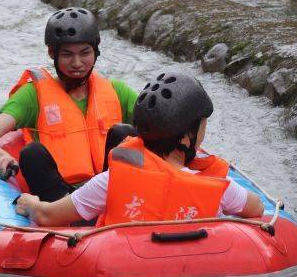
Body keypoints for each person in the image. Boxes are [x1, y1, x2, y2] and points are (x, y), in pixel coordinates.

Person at [14, 71, 265, 226]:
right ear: (186, 137)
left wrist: (30, 203)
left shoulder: (111, 181)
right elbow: (257, 209)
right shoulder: (219, 188)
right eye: (202, 125)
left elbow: (47, 216)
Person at [0, 8, 139, 201]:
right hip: (59, 197)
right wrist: (0, 156)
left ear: (96, 51)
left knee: (123, 132)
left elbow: (161, 129)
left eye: (85, 53)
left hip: (109, 190)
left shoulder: (117, 91)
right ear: (53, 53)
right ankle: (67, 214)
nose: (77, 63)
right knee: (32, 153)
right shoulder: (32, 95)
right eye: (67, 55)